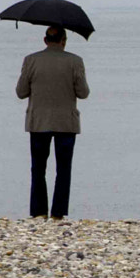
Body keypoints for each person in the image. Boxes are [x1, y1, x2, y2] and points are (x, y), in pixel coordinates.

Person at [15, 26, 89, 219]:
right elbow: (83, 93)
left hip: (38, 122)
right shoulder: (75, 61)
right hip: (66, 123)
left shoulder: (31, 60)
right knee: (64, 170)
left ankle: (39, 212)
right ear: (64, 40)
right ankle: (58, 213)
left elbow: (21, 92)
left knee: (38, 169)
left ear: (45, 40)